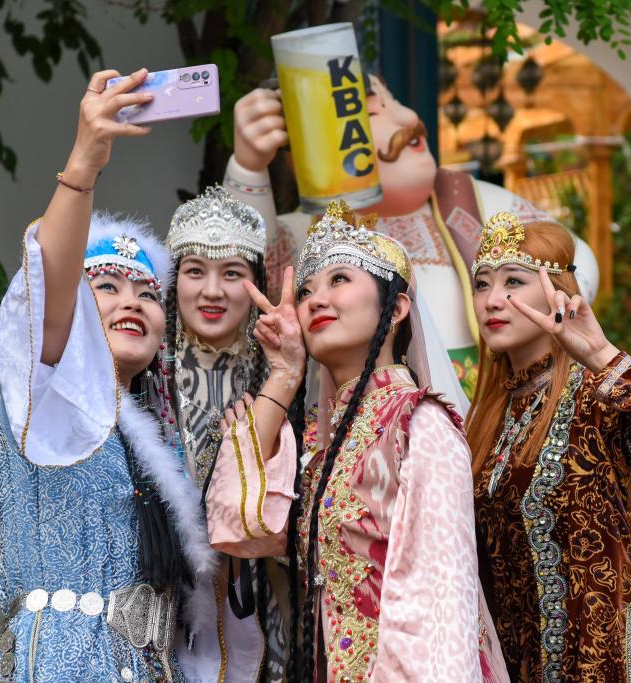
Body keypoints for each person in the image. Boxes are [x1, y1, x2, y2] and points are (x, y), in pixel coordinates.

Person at [0, 68, 223, 683]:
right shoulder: (50, 394)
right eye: (105, 287)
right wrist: (85, 159)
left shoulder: (161, 435)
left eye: (148, 294)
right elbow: (50, 288)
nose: (131, 301)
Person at [204, 201, 510, 682]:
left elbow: (442, 612)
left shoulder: (420, 425)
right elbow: (238, 524)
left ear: (397, 308)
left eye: (340, 279)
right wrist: (285, 373)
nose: (315, 300)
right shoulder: (321, 441)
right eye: (306, 291)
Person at [222, 75, 599, 399]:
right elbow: (242, 269)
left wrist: (537, 329)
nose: (409, 118)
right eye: (375, 113)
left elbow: (572, 262)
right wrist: (248, 168)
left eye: (396, 103)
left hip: (493, 398)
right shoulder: (316, 233)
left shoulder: (470, 202)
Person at [467, 213, 631, 682]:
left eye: (513, 281)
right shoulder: (486, 415)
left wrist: (603, 355)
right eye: (481, 284)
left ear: (557, 293)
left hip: (606, 664)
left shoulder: (598, 397)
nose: (492, 300)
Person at [164, 185, 289, 681]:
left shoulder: (285, 375)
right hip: (164, 599)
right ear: (173, 281)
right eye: (195, 271)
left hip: (258, 596)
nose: (212, 291)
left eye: (232, 273)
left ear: (257, 284)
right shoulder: (143, 374)